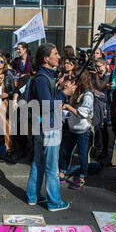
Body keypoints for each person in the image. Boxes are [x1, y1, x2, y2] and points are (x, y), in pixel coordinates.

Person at [26, 43, 76, 212]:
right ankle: (54, 202)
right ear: (46, 59)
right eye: (55, 54)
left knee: (39, 163)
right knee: (51, 166)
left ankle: (33, 196)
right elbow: (47, 105)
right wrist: (64, 94)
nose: (59, 57)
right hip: (48, 126)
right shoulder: (41, 78)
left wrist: (60, 89)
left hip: (44, 125)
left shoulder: (45, 77)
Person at [59, 69, 94, 190]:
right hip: (71, 128)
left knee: (82, 155)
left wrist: (68, 107)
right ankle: (62, 172)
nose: (70, 79)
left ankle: (82, 177)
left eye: (73, 77)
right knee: (66, 151)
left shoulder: (87, 94)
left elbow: (82, 113)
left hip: (83, 130)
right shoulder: (73, 91)